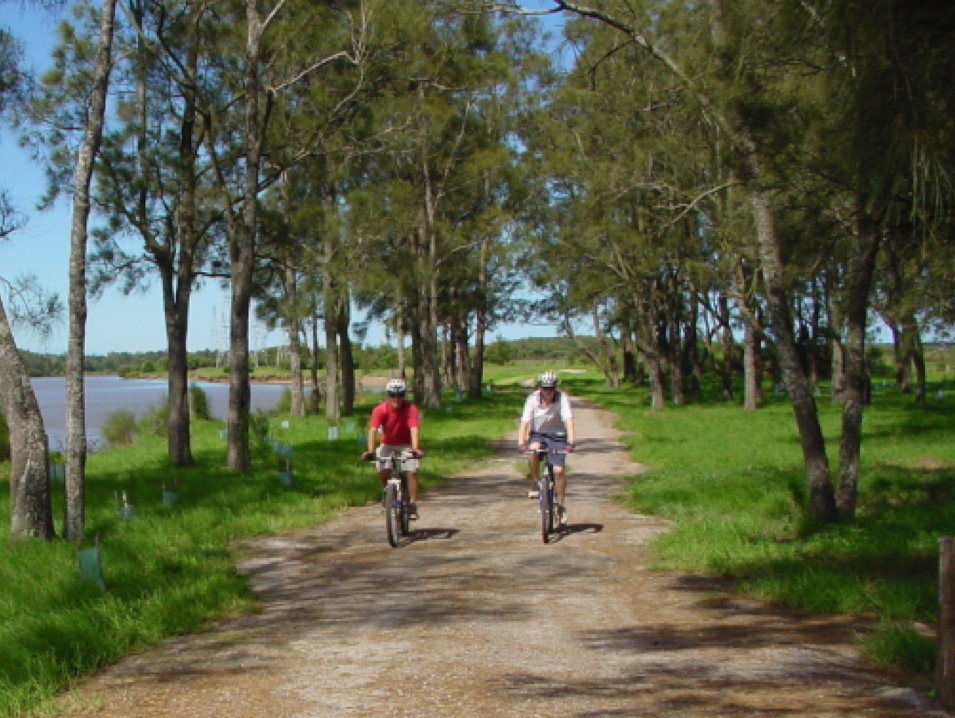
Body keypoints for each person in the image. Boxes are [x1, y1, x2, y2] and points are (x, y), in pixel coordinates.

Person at [518, 370, 576, 526]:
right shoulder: (532, 399)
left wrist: (571, 441)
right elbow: (524, 422)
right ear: (540, 388)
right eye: (545, 388)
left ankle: (561, 505)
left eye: (551, 388)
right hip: (538, 434)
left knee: (558, 470)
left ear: (555, 388)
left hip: (557, 435)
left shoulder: (562, 398)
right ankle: (537, 482)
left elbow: (569, 419)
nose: (548, 392)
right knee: (533, 450)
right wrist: (521, 442)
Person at [362, 378, 423, 519]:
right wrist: (370, 451)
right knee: (382, 468)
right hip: (387, 443)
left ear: (404, 395)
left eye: (400, 395)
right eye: (392, 395)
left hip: (406, 443)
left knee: (411, 471)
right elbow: (372, 430)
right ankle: (388, 494)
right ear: (388, 395)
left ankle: (413, 503)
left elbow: (414, 429)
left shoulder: (410, 409)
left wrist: (415, 449)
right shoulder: (380, 409)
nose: (396, 399)